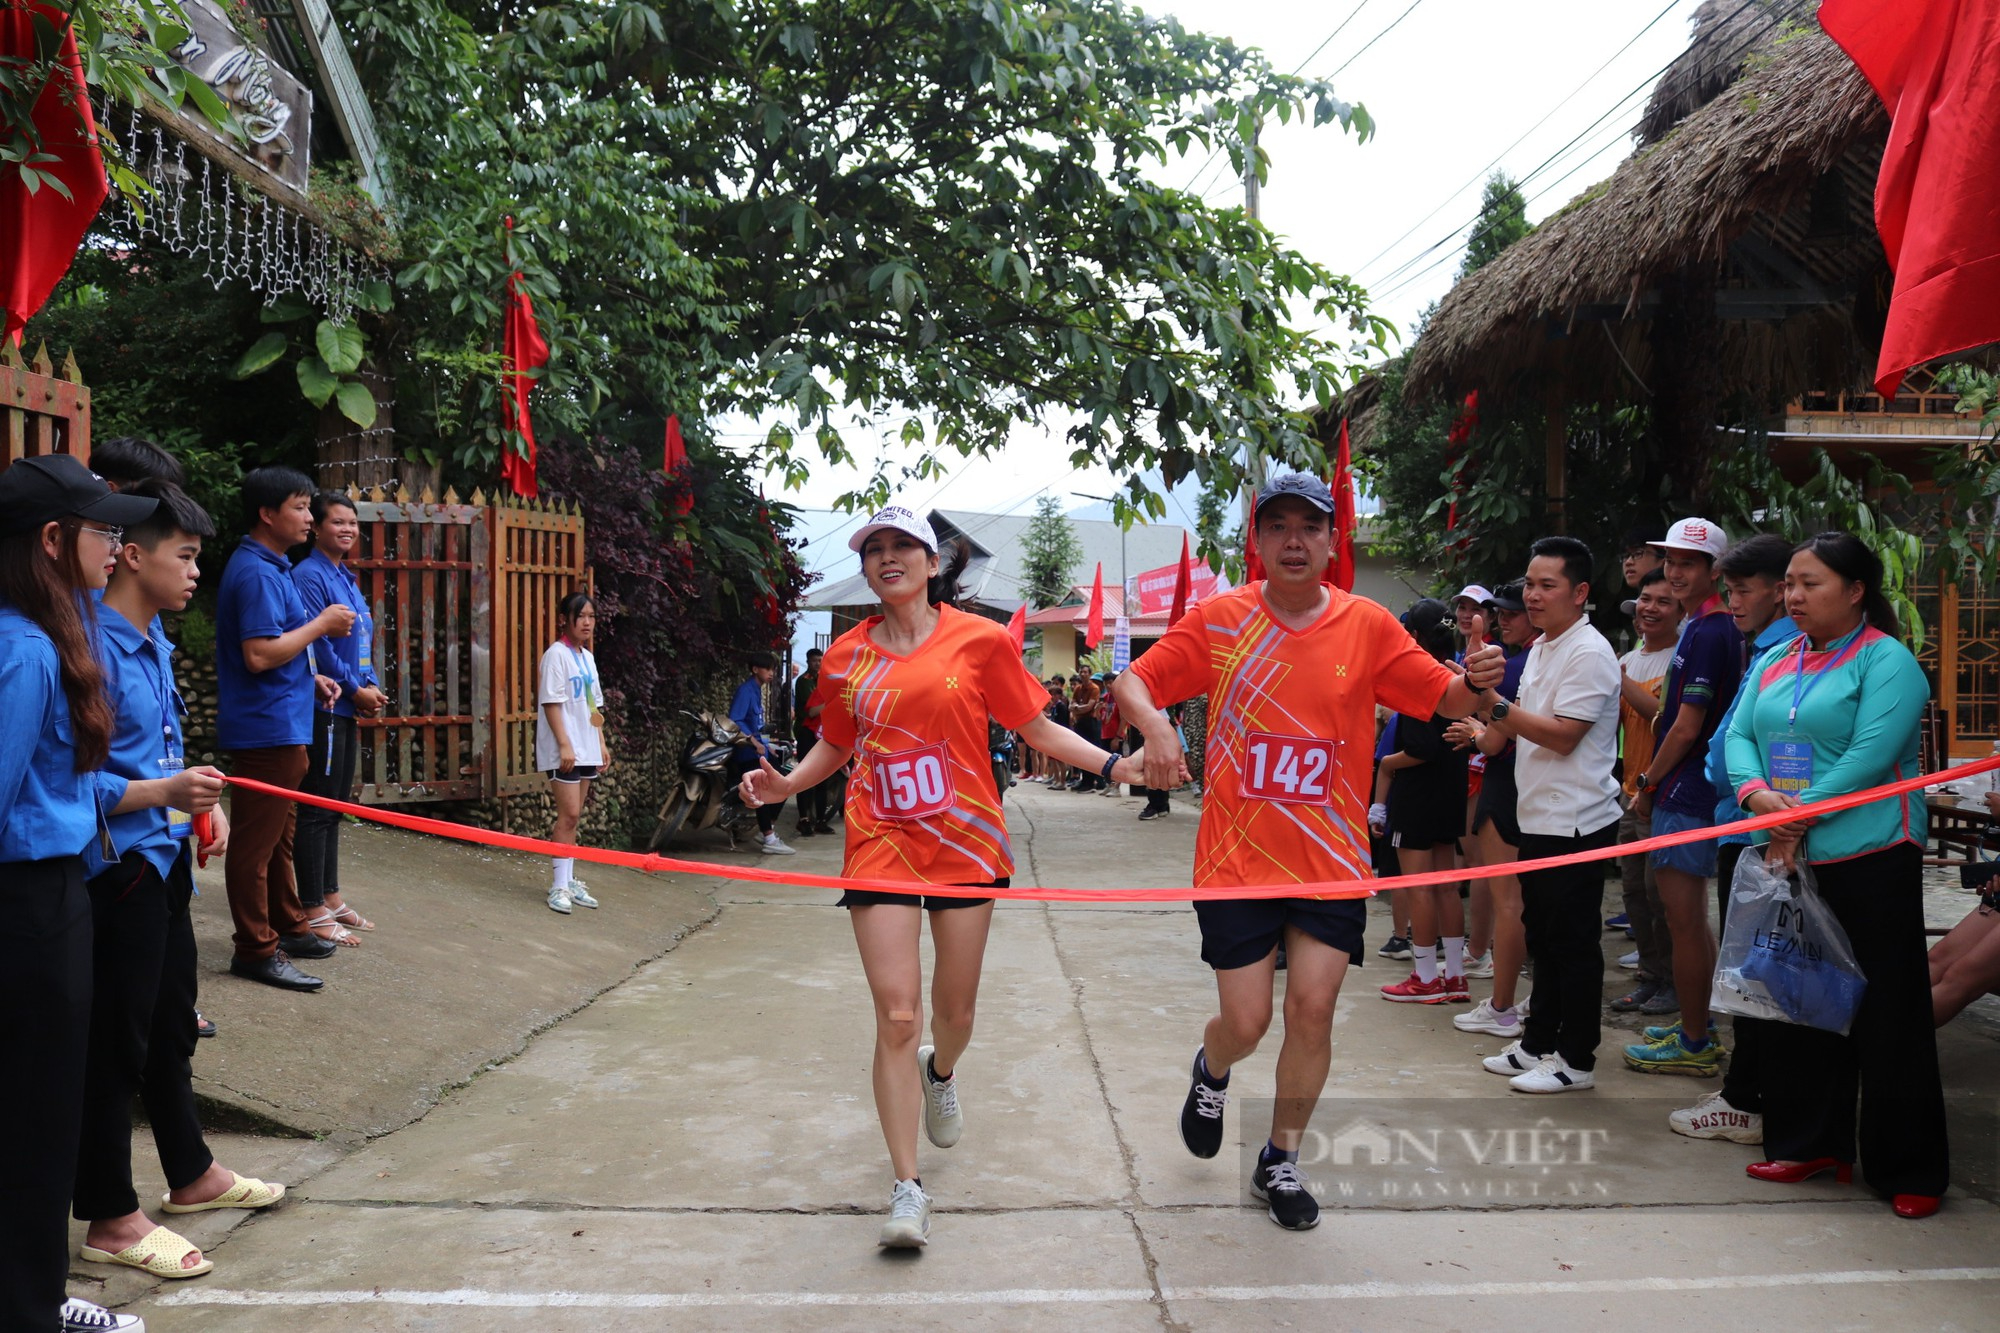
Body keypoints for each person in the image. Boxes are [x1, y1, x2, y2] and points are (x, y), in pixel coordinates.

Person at [740, 504, 1142, 1248]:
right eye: (874, 549)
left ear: (933, 564)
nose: (887, 557)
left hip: (963, 843)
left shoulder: (981, 641)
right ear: (866, 568)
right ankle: (906, 1185)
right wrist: (787, 785)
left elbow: (1037, 728)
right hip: (881, 841)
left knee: (953, 1016)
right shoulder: (845, 658)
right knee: (898, 1015)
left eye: (903, 546)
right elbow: (836, 741)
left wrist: (1117, 764)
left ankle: (944, 1070)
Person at [1115, 472, 1505, 1231]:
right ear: (1258, 542)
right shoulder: (1221, 619)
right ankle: (1214, 1066)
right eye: (1278, 526)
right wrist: (1158, 728)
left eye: (1310, 527)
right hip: (1236, 859)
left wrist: (1478, 680)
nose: (1295, 541)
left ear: (1332, 541)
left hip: (1329, 860)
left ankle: (1280, 1157)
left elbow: (1443, 698)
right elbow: (1135, 680)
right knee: (1249, 1019)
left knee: (1314, 1010)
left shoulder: (1367, 626)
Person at [75, 480, 286, 1285]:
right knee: (114, 1043)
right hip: (115, 870)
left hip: (161, 863)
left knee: (170, 1025)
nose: (198, 571)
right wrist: (165, 796)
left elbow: (157, 756)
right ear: (132, 555)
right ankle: (110, 1212)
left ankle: (190, 1170)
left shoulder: (153, 637)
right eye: (186, 556)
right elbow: (70, 782)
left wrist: (197, 810)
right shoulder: (87, 647)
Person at [1724, 532, 1944, 1218]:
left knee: (1889, 1011)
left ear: (1855, 590)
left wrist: (1794, 817)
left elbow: (1871, 756)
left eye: (1809, 582)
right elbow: (1738, 735)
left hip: (1869, 854)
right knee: (1798, 998)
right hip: (1789, 855)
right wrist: (1757, 795)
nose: (1793, 595)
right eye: (1789, 582)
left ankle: (1907, 1166)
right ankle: (1811, 1140)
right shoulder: (1776, 660)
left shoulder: (1889, 661)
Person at [0, 455, 158, 1332]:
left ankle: (33, 1294)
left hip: (49, 893)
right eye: (107, 530)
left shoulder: (43, 637)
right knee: (32, 1122)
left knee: (41, 1116)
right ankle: (28, 1309)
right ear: (54, 540)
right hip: (27, 905)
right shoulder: (24, 650)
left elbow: (45, 785)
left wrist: (157, 794)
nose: (118, 545)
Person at [1474, 536, 1623, 1092]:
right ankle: (1538, 1042)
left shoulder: (1590, 652)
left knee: (1574, 943)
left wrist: (1496, 706)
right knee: (1544, 935)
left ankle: (1576, 1059)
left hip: (1577, 820)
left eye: (1546, 586)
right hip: (1537, 816)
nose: (1532, 596)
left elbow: (1563, 737)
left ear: (1580, 591)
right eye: (1529, 584)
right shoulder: (1542, 648)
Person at [1668, 533, 1796, 1141]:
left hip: (1764, 826)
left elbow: (1726, 747)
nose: (1733, 600)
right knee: (1751, 966)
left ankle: (1750, 1099)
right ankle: (1751, 1090)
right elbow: (1731, 743)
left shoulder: (1784, 652)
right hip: (1741, 820)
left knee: (1758, 970)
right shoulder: (1762, 648)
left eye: (1744, 589)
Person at [214, 466, 350, 991]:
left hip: (283, 722)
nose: (309, 517)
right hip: (265, 729)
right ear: (267, 514)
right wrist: (321, 626)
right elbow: (257, 654)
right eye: (299, 507)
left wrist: (311, 677)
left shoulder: (271, 565)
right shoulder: (256, 572)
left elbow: (277, 647)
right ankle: (254, 948)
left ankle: (288, 927)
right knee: (254, 847)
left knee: (278, 840)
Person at [1625, 517, 1740, 1075]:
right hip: (1684, 787)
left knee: (1684, 920)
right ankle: (1699, 1023)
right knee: (1688, 919)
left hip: (1687, 790)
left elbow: (1686, 727)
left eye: (1687, 563)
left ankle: (1695, 1042)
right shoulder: (1702, 625)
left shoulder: (1710, 631)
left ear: (1714, 571)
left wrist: (1647, 783)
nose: (1674, 571)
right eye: (1669, 560)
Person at [292, 491, 386, 944]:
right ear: (317, 527)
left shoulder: (345, 576)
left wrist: (369, 684)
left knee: (334, 807)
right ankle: (311, 907)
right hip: (325, 704)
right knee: (315, 807)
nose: (347, 530)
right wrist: (354, 688)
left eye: (352, 523)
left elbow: (359, 641)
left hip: (348, 701)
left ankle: (330, 895)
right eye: (337, 522)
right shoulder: (309, 576)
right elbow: (319, 646)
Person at [1448, 581, 1538, 1039]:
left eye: (1514, 612)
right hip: (1518, 786)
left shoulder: (1519, 665)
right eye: (1500, 613)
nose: (1506, 620)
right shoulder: (1532, 659)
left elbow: (1500, 734)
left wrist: (1477, 724)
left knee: (1509, 902)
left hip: (1509, 787)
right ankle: (1511, 1001)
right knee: (1512, 900)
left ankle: (1503, 1006)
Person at [1377, 600, 1472, 1004]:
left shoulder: (1419, 673)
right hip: (1451, 789)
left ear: (1414, 635)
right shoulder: (1458, 674)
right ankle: (1455, 976)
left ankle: (1426, 977)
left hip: (1417, 796)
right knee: (1446, 888)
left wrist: (1384, 765)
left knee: (1419, 888)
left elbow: (1421, 747)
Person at [1607, 569, 1678, 1015]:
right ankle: (1650, 976)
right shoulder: (1629, 659)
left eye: (1662, 601)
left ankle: (1674, 981)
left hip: (1665, 792)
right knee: (1632, 890)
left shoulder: (1679, 659)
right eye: (1644, 601)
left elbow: (1665, 718)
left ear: (1681, 610)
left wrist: (1620, 680)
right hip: (1629, 790)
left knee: (1661, 894)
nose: (1649, 609)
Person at [537, 591, 611, 911]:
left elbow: (593, 704)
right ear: (563, 620)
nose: (586, 622)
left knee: (575, 816)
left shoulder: (587, 657)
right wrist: (565, 744)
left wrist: (602, 741)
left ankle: (568, 880)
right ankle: (557, 886)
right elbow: (552, 702)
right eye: (580, 616)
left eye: (591, 617)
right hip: (565, 748)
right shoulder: (556, 655)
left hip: (586, 744)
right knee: (568, 815)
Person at [729, 651, 794, 855]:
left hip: (759, 752)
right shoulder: (746, 691)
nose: (772, 673)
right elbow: (736, 721)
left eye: (773, 669)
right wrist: (754, 742)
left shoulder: (757, 690)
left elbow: (757, 726)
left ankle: (768, 827)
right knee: (767, 789)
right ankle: (768, 837)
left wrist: (767, 746)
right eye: (768, 669)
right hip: (747, 754)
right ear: (755, 669)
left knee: (786, 782)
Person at [791, 648, 835, 837]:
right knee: (806, 776)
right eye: (815, 660)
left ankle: (821, 820)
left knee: (822, 778)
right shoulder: (804, 682)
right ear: (808, 662)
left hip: (823, 734)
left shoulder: (825, 681)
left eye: (821, 660)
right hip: (807, 732)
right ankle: (804, 819)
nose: (818, 663)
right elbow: (811, 711)